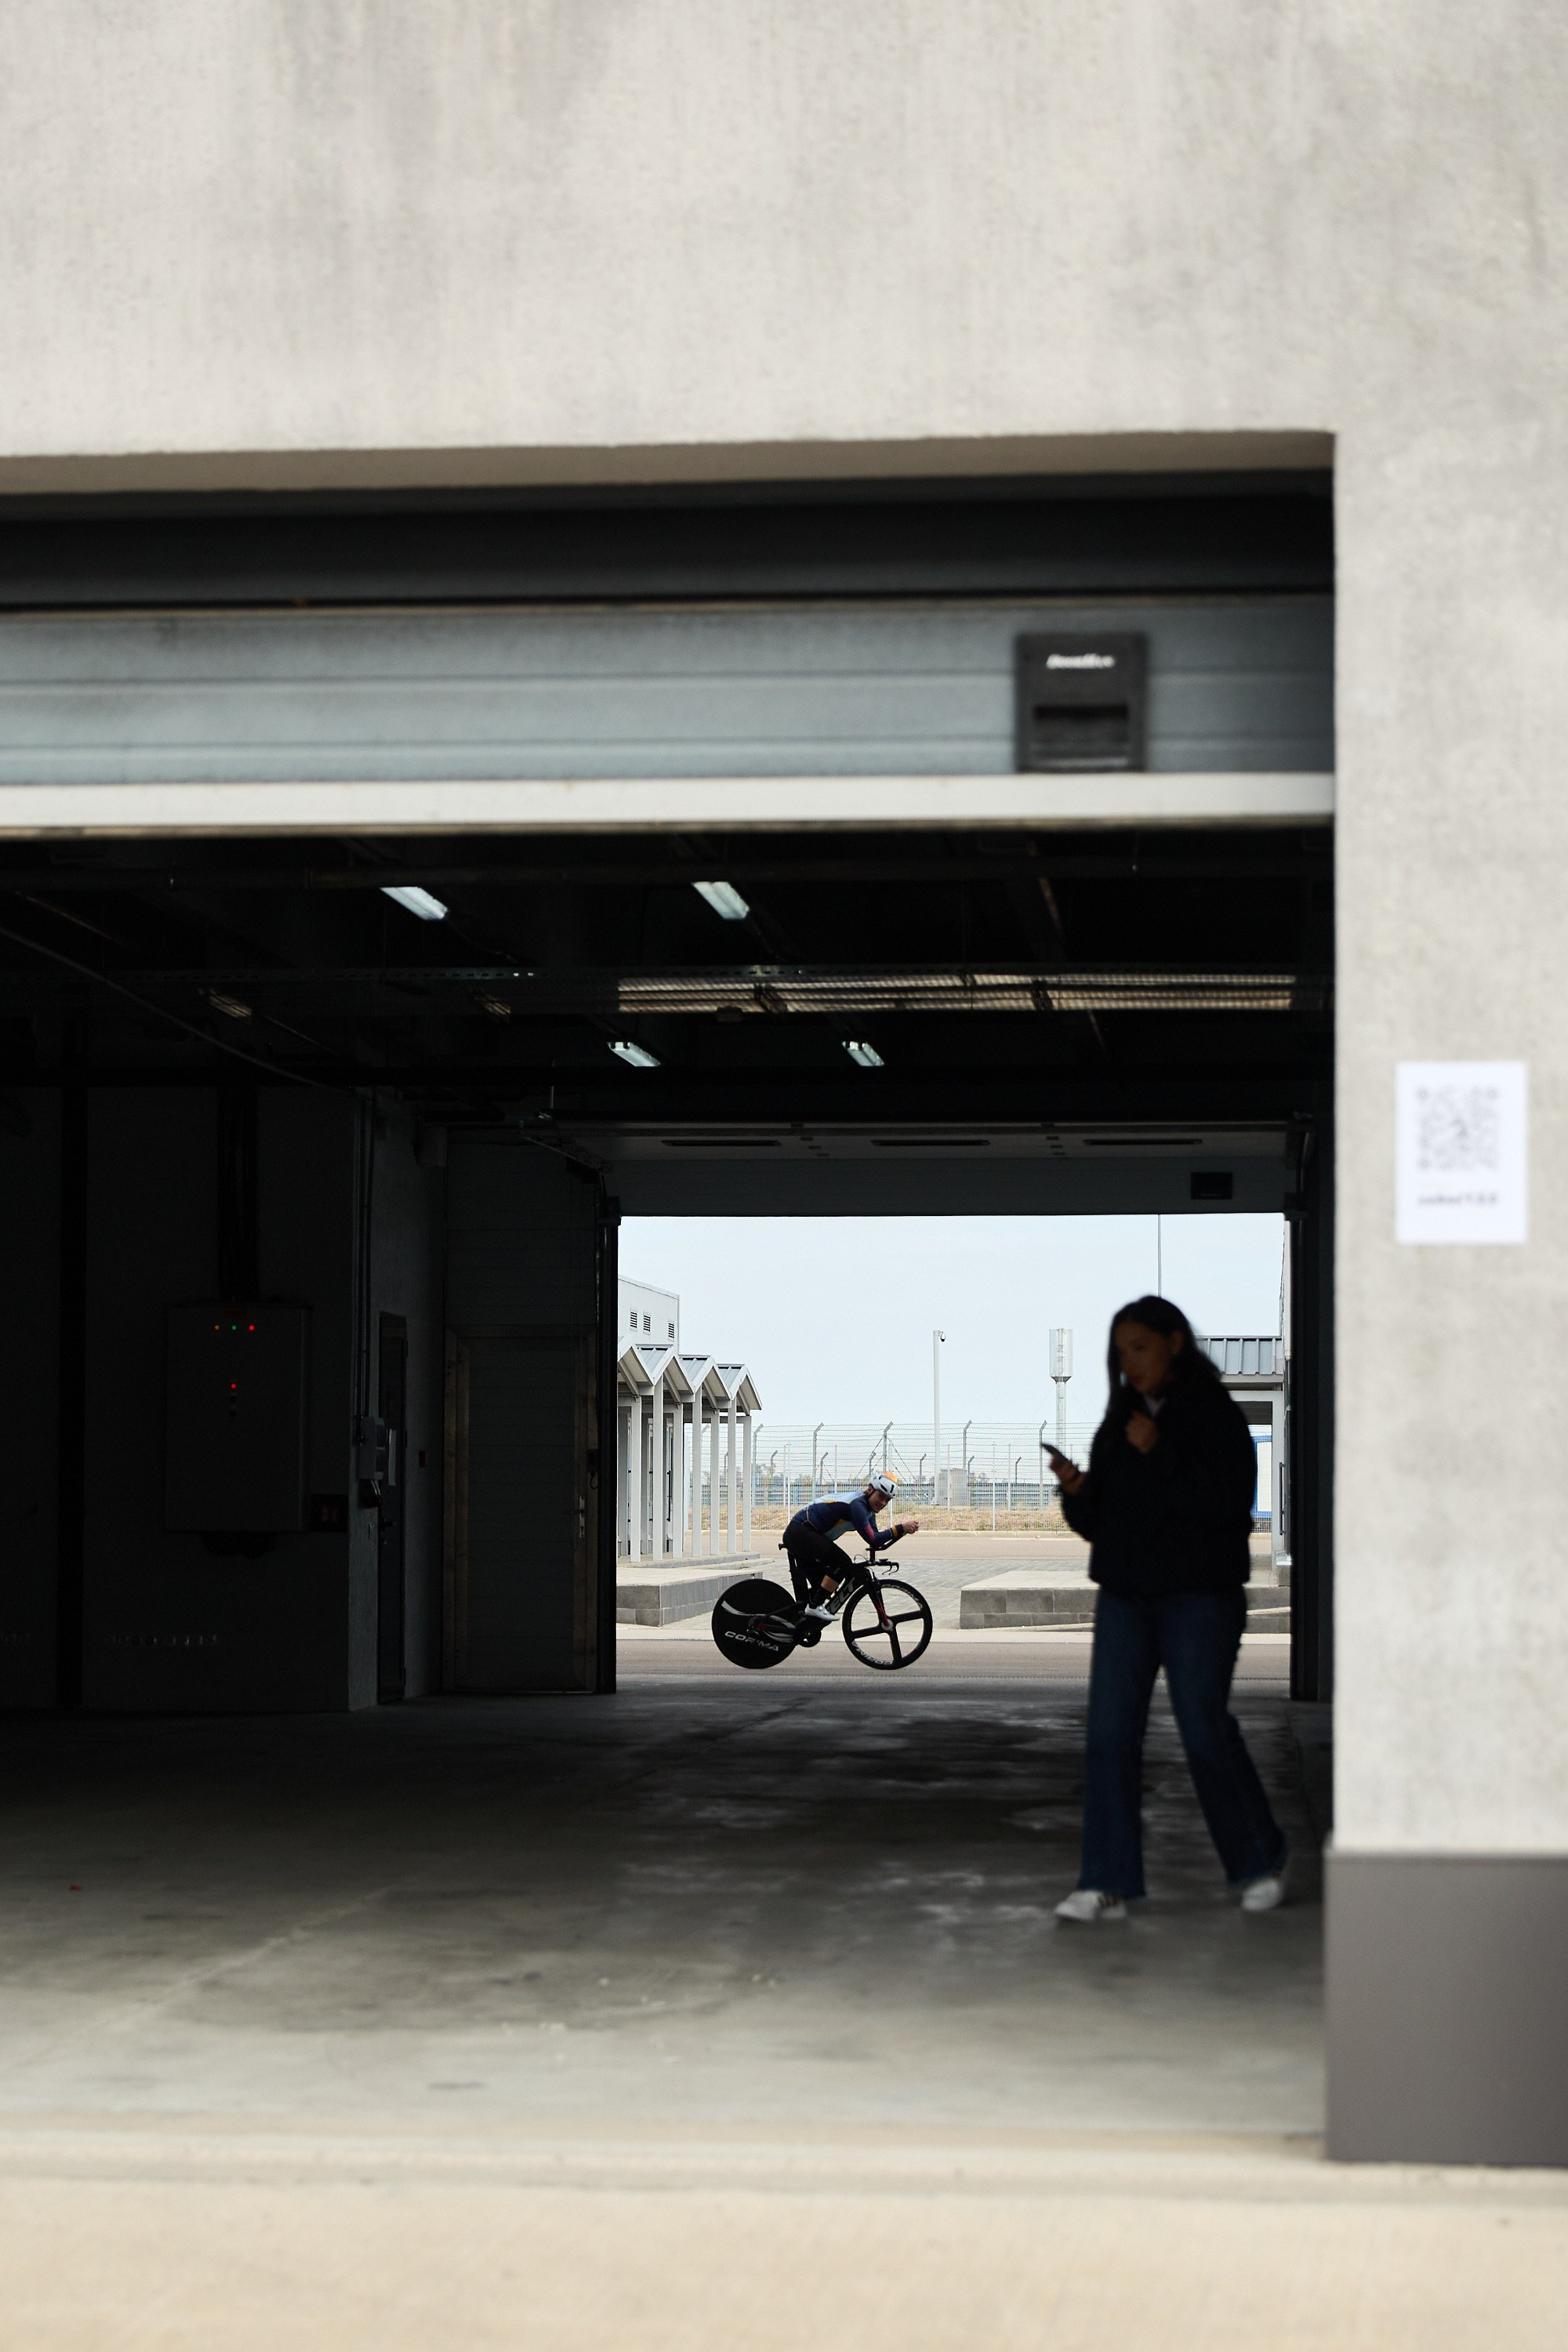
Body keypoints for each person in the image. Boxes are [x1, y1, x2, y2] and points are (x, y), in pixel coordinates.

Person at [1044, 1294, 1287, 1922]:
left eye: (1140, 1348)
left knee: (1204, 1731)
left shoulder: (1213, 1415)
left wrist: (1161, 1452)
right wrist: (1077, 1491)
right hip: (1126, 1597)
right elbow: (1103, 1521)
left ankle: (1259, 1862)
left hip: (1199, 1598)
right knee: (1108, 1737)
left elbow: (1226, 1506)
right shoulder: (1120, 1419)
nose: (1129, 1364)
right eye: (1121, 1353)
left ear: (1175, 1341)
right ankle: (1106, 1881)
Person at [781, 1472, 919, 1636]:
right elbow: (874, 1538)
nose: (883, 1503)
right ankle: (813, 1607)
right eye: (881, 1497)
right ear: (869, 1490)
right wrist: (900, 1528)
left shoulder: (868, 1511)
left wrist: (899, 1533)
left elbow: (875, 1541)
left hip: (806, 1534)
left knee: (825, 1585)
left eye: (887, 1500)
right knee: (842, 1563)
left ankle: (800, 1616)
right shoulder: (857, 1506)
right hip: (800, 1532)